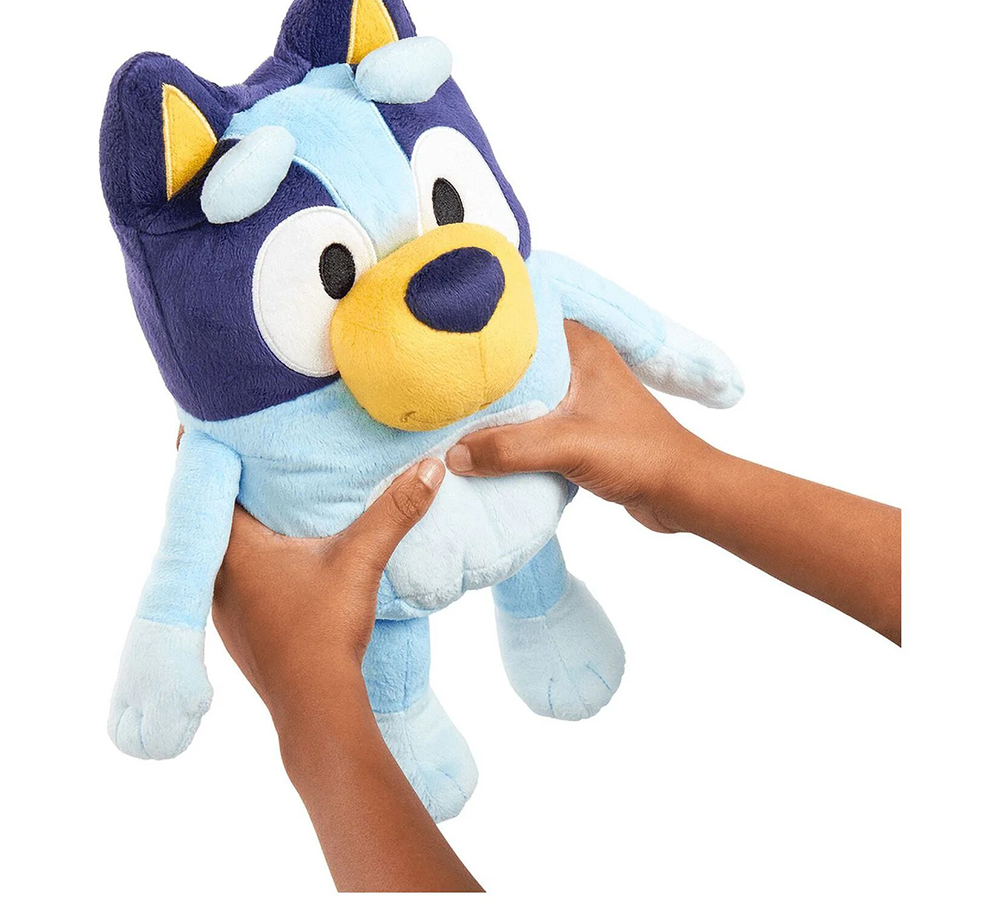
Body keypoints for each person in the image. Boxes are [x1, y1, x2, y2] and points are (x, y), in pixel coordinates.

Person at [210, 321, 901, 892]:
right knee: (407, 610)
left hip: (505, 485)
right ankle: (406, 712)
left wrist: (309, 700)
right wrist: (686, 473)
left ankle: (538, 619)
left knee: (523, 548)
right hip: (397, 527)